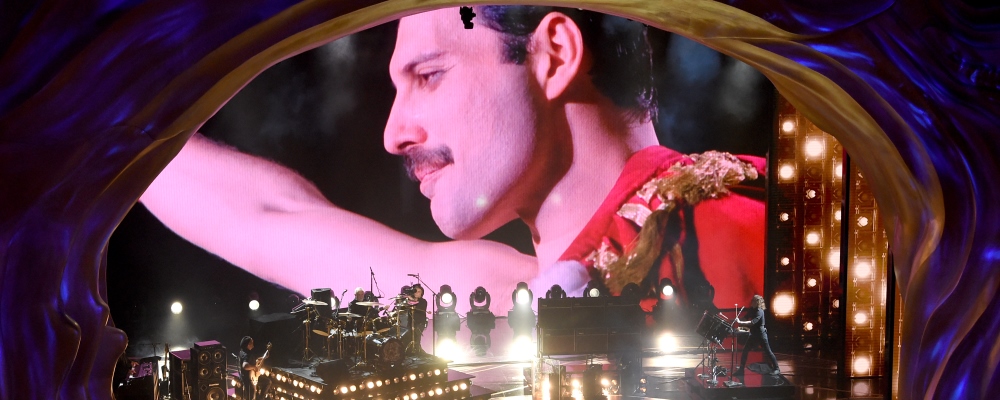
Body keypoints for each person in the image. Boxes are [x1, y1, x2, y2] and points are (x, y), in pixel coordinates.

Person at [140, 6, 762, 315]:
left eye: (429, 75)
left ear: (553, 55)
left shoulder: (745, 231)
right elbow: (267, 218)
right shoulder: (513, 300)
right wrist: (99, 108)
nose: (393, 134)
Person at [733, 294, 779, 376]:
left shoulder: (759, 311)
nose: (751, 302)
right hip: (753, 334)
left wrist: (740, 322)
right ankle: (741, 370)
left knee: (768, 351)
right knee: (745, 350)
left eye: (753, 301)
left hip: (761, 335)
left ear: (757, 302)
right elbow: (745, 317)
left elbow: (752, 322)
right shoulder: (752, 309)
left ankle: (776, 368)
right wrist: (736, 320)